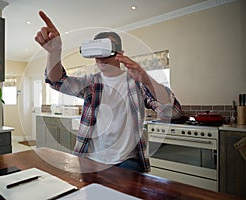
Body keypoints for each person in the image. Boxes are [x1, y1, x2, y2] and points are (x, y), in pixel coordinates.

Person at [35, 11, 182, 173]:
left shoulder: (137, 83)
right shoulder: (90, 83)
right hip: (90, 160)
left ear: (119, 53)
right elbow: (57, 82)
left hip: (127, 161)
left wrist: (147, 80)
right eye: (97, 49)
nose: (101, 55)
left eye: (106, 48)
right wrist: (54, 52)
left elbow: (173, 112)